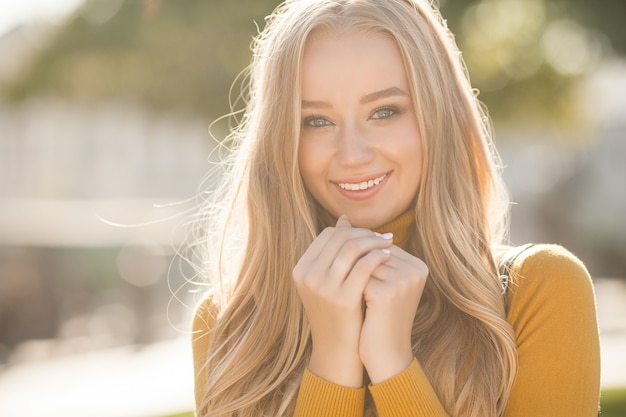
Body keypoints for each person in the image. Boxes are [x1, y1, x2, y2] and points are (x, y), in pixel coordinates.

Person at [190, 0, 601, 416]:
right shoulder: (230, 324)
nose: (351, 154)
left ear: (436, 117)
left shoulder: (540, 289)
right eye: (315, 121)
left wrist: (391, 363)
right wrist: (333, 356)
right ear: (280, 140)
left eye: (384, 112)